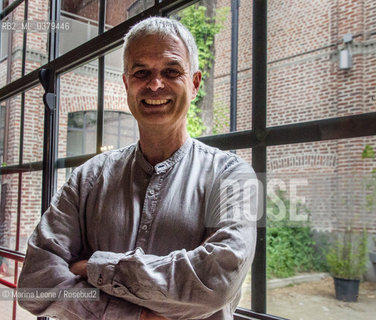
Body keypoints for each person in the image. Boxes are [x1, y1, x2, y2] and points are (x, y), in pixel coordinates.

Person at [18, 17, 257, 320]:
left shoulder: (233, 177)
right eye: (142, 72)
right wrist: (137, 317)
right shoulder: (87, 178)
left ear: (195, 83)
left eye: (171, 71)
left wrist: (94, 267)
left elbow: (217, 280)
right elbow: (35, 281)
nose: (155, 84)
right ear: (127, 83)